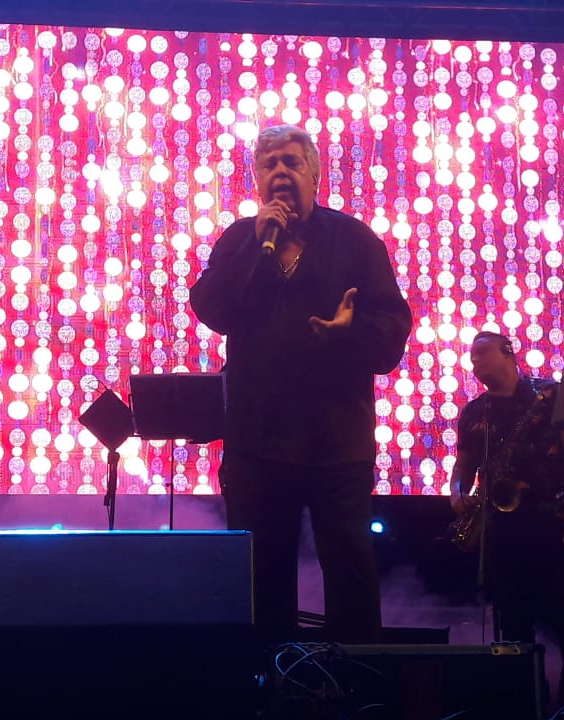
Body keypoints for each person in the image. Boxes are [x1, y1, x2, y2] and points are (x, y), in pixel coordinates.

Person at [189, 124, 413, 645]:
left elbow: (393, 334)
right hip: (257, 444)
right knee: (260, 582)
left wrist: (348, 332)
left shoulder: (355, 240)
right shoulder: (239, 240)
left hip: (337, 444)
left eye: (292, 162)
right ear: (257, 181)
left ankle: (358, 695)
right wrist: (254, 250)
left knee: (351, 578)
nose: (281, 173)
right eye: (270, 166)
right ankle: (267, 695)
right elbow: (212, 310)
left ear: (315, 174)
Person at [449, 331, 564, 692]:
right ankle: (527, 700)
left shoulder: (551, 396)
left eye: (482, 352)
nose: (474, 361)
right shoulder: (473, 412)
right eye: (471, 355)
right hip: (502, 532)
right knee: (514, 625)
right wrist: (457, 494)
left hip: (550, 521)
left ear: (509, 351)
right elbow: (461, 470)